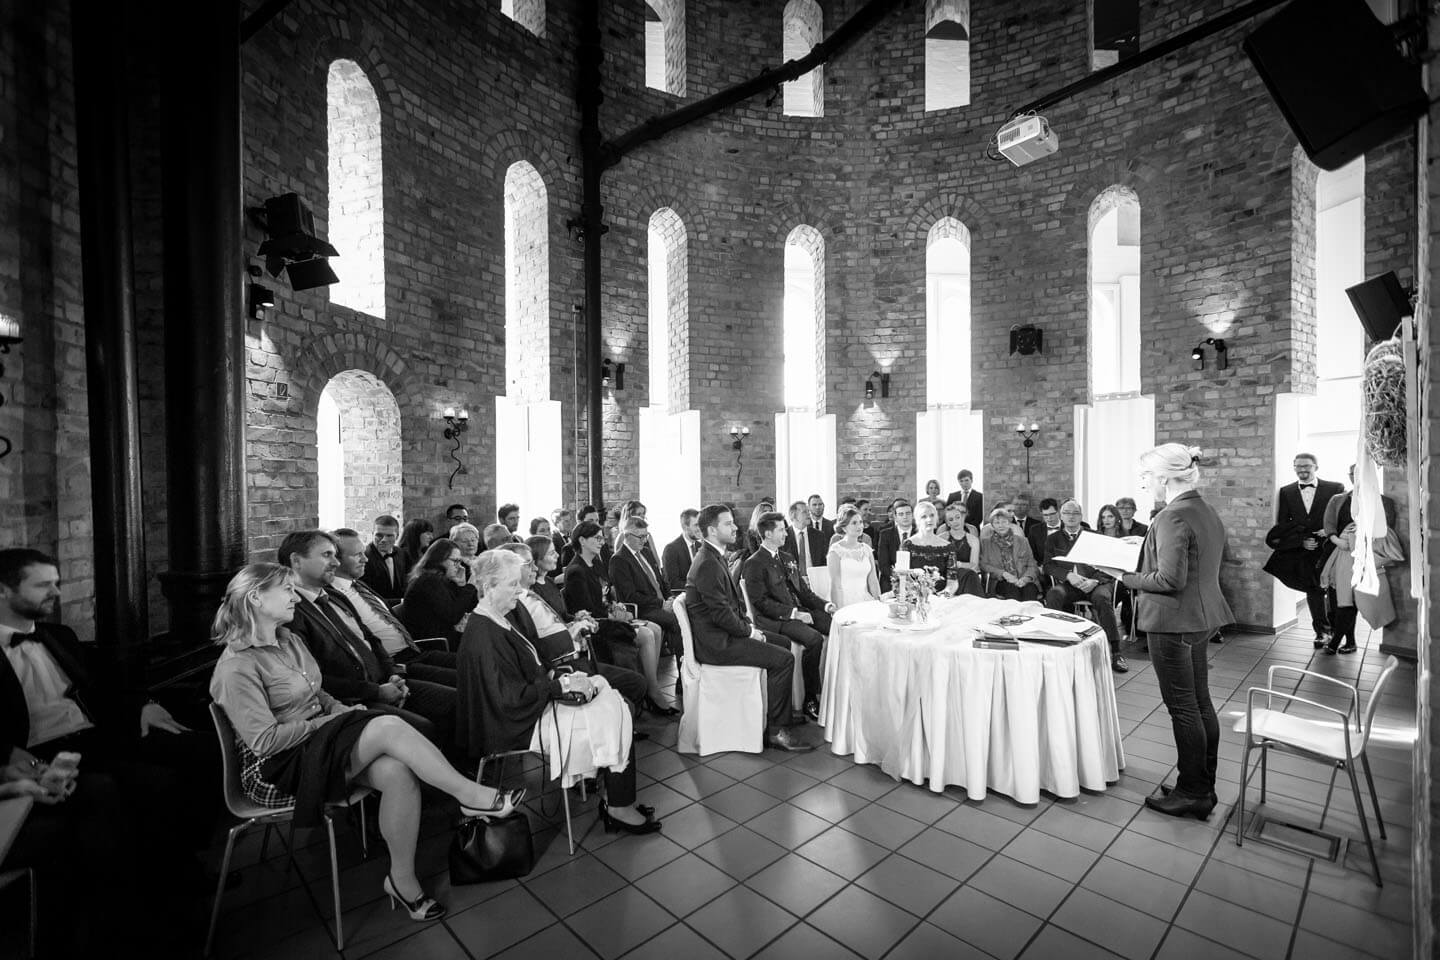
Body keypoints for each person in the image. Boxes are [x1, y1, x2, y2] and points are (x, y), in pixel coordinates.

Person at [210, 563, 520, 924]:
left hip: (319, 740)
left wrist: (342, 711)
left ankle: (401, 880)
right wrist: (337, 720)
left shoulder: (288, 639)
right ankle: (469, 795)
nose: (295, 597)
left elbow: (320, 692)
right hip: (277, 768)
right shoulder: (237, 667)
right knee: (387, 725)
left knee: (397, 772)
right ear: (256, 598)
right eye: (286, 590)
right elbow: (264, 741)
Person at [1, 548, 214, 953]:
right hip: (37, 754)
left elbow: (105, 684)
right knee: (128, 787)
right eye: (44, 585)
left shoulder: (57, 636)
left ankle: (183, 867)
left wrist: (141, 704)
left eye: (58, 583)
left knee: (199, 747)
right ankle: (133, 915)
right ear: (3, 591)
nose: (57, 593)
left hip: (93, 735)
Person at [457, 551, 659, 834]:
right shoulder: (484, 634)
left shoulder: (500, 617)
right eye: (513, 584)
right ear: (489, 586)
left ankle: (614, 797)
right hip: (513, 724)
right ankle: (618, 805)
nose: (520, 590)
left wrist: (559, 676)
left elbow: (528, 666)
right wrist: (559, 686)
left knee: (613, 702)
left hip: (527, 706)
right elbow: (508, 700)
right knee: (617, 708)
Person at [1098, 444, 1232, 820]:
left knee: (1183, 708)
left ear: (1164, 477)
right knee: (1200, 702)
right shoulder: (1202, 509)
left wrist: (1121, 575)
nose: (1142, 484)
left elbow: (1169, 578)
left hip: (1173, 622)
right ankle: (1202, 784)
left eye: (1145, 477)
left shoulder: (1171, 517)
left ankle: (1192, 791)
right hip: (1200, 618)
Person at [279, 530, 457, 746]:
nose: (335, 562)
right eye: (327, 555)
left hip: (385, 679)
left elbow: (371, 639)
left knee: (454, 700)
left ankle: (466, 769)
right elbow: (315, 678)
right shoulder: (290, 610)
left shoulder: (333, 595)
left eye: (336, 555)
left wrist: (392, 675)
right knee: (423, 726)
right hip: (354, 697)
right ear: (296, 561)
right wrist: (377, 692)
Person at [685, 504, 811, 751]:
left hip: (724, 634)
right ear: (711, 530)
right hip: (718, 644)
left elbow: (728, 608)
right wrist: (750, 631)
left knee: (783, 643)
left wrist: (748, 625)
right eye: (728, 524)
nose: (735, 527)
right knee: (784, 659)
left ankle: (779, 712)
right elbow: (721, 615)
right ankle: (777, 731)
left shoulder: (713, 555)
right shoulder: (708, 563)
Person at [501, 540, 651, 713]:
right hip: (564, 665)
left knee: (633, 670)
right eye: (529, 564)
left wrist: (576, 621)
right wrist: (573, 631)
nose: (534, 568)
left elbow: (558, 620)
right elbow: (536, 647)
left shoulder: (538, 589)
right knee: (633, 684)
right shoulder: (516, 604)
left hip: (576, 652)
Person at [330, 529, 458, 680]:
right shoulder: (333, 596)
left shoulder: (358, 586)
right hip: (395, 664)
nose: (365, 559)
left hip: (414, 650)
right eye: (357, 555)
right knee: (467, 681)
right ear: (335, 560)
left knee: (479, 663)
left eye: (364, 553)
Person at [743, 511, 834, 719]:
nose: (786, 533)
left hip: (799, 610)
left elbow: (804, 592)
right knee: (814, 639)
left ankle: (834, 689)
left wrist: (825, 605)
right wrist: (794, 613)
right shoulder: (754, 563)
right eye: (781, 530)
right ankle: (810, 698)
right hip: (776, 619)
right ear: (767, 534)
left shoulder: (787, 557)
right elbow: (761, 603)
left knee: (835, 627)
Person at [564, 521, 666, 698]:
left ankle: (650, 683)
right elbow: (587, 610)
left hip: (608, 616)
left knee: (656, 629)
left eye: (602, 538)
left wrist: (615, 605)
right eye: (597, 538)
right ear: (582, 540)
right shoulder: (576, 571)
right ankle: (653, 690)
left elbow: (606, 594)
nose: (602, 542)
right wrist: (614, 614)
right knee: (647, 635)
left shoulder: (596, 564)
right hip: (597, 626)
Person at [1319, 464, 1399, 655]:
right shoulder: (1337, 499)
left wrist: (1363, 530)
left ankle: (1336, 641)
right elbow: (1329, 525)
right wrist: (1339, 541)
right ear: (1350, 477)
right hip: (1341, 556)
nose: (1359, 478)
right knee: (1343, 600)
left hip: (1367, 558)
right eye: (1355, 475)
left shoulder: (1384, 502)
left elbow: (1387, 529)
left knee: (1355, 600)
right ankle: (1349, 642)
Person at [608, 516, 683, 714]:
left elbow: (661, 581)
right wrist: (661, 604)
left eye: (646, 536)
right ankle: (678, 679)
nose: (644, 540)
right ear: (626, 535)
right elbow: (630, 596)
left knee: (687, 614)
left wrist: (669, 599)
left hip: (660, 603)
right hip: (642, 608)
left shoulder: (647, 553)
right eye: (639, 536)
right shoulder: (619, 560)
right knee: (676, 622)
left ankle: (685, 673)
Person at [1043, 501, 1127, 673]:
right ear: (1061, 516)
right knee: (1053, 595)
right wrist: (1068, 576)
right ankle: (1058, 645)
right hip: (1070, 584)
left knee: (1102, 598)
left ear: (1081, 516)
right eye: (1067, 513)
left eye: (1075, 513)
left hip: (1096, 583)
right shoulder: (1053, 539)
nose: (1071, 516)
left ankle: (1116, 652)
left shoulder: (1095, 536)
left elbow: (1108, 565)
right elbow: (1048, 566)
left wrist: (1094, 581)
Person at [1274, 453, 1344, 648]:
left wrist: (1330, 530)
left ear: (1316, 467)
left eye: (1306, 466)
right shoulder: (1286, 491)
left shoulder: (1335, 488)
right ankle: (1321, 631)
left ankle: (1337, 631)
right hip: (1305, 551)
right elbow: (1284, 524)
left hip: (1330, 549)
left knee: (1333, 590)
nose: (1302, 470)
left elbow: (1344, 517)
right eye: (1297, 466)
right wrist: (1301, 541)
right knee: (1313, 590)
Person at [399, 538, 479, 648]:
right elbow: (453, 616)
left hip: (445, 637)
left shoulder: (441, 579)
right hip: (434, 644)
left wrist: (462, 586)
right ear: (439, 560)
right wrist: (470, 586)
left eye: (459, 561)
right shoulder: (428, 581)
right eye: (454, 561)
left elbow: (467, 607)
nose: (458, 566)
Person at [827, 504, 881, 608]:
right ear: (844, 527)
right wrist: (837, 609)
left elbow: (873, 580)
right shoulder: (836, 551)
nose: (859, 526)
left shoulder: (866, 549)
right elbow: (835, 584)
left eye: (860, 522)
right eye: (854, 523)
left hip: (865, 599)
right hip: (843, 601)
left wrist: (878, 601)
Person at [979, 508, 1040, 601]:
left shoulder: (1022, 541)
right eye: (997, 523)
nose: (1001, 525)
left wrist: (1026, 578)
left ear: (1010, 523)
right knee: (1012, 590)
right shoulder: (986, 543)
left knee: (1030, 590)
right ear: (992, 526)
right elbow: (984, 565)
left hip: (1024, 580)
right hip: (1001, 581)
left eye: (1004, 522)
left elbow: (1032, 564)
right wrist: (1004, 574)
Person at [938, 501, 984, 596]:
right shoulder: (941, 538)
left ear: (963, 518)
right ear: (947, 523)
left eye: (957, 517)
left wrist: (958, 564)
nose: (955, 521)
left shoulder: (973, 540)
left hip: (967, 576)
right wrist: (957, 567)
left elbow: (974, 565)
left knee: (970, 575)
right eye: (951, 519)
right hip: (946, 576)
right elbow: (939, 564)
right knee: (969, 575)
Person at [360, 514, 410, 601]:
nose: (383, 540)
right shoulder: (363, 557)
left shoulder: (401, 553)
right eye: (379, 535)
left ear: (397, 536)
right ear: (372, 534)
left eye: (389, 536)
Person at [875, 499, 916, 592]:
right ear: (895, 517)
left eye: (908, 513)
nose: (905, 517)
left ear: (912, 515)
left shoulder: (919, 534)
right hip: (891, 583)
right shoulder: (885, 534)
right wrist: (900, 580)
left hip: (915, 583)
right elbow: (883, 564)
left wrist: (911, 580)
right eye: (901, 514)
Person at [662, 508, 703, 590]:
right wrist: (700, 587)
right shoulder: (671, 549)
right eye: (696, 525)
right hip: (682, 598)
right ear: (685, 527)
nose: (700, 528)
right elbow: (673, 583)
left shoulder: (702, 547)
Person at [1027, 497, 1061, 567]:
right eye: (1045, 515)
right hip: (1044, 569)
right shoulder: (1035, 530)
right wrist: (1039, 565)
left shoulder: (1069, 527)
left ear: (1058, 511)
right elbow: (1031, 552)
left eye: (1052, 514)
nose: (1049, 518)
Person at [803, 495, 835, 565]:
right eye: (814, 505)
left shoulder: (831, 526)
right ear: (808, 507)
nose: (818, 507)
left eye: (820, 504)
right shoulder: (804, 526)